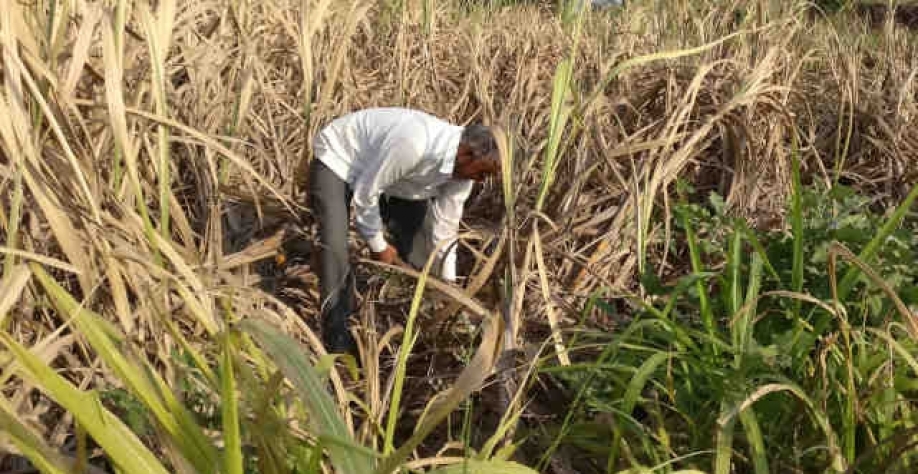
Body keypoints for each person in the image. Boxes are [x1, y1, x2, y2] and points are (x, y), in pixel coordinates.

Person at [305, 107, 501, 354]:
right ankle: (337, 338)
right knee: (334, 246)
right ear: (466, 154)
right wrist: (379, 246)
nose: (481, 181)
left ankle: (417, 325)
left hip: (396, 181)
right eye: (482, 173)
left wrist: (449, 283)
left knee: (424, 251)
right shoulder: (414, 144)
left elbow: (447, 227)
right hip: (340, 158)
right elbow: (367, 192)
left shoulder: (463, 176)